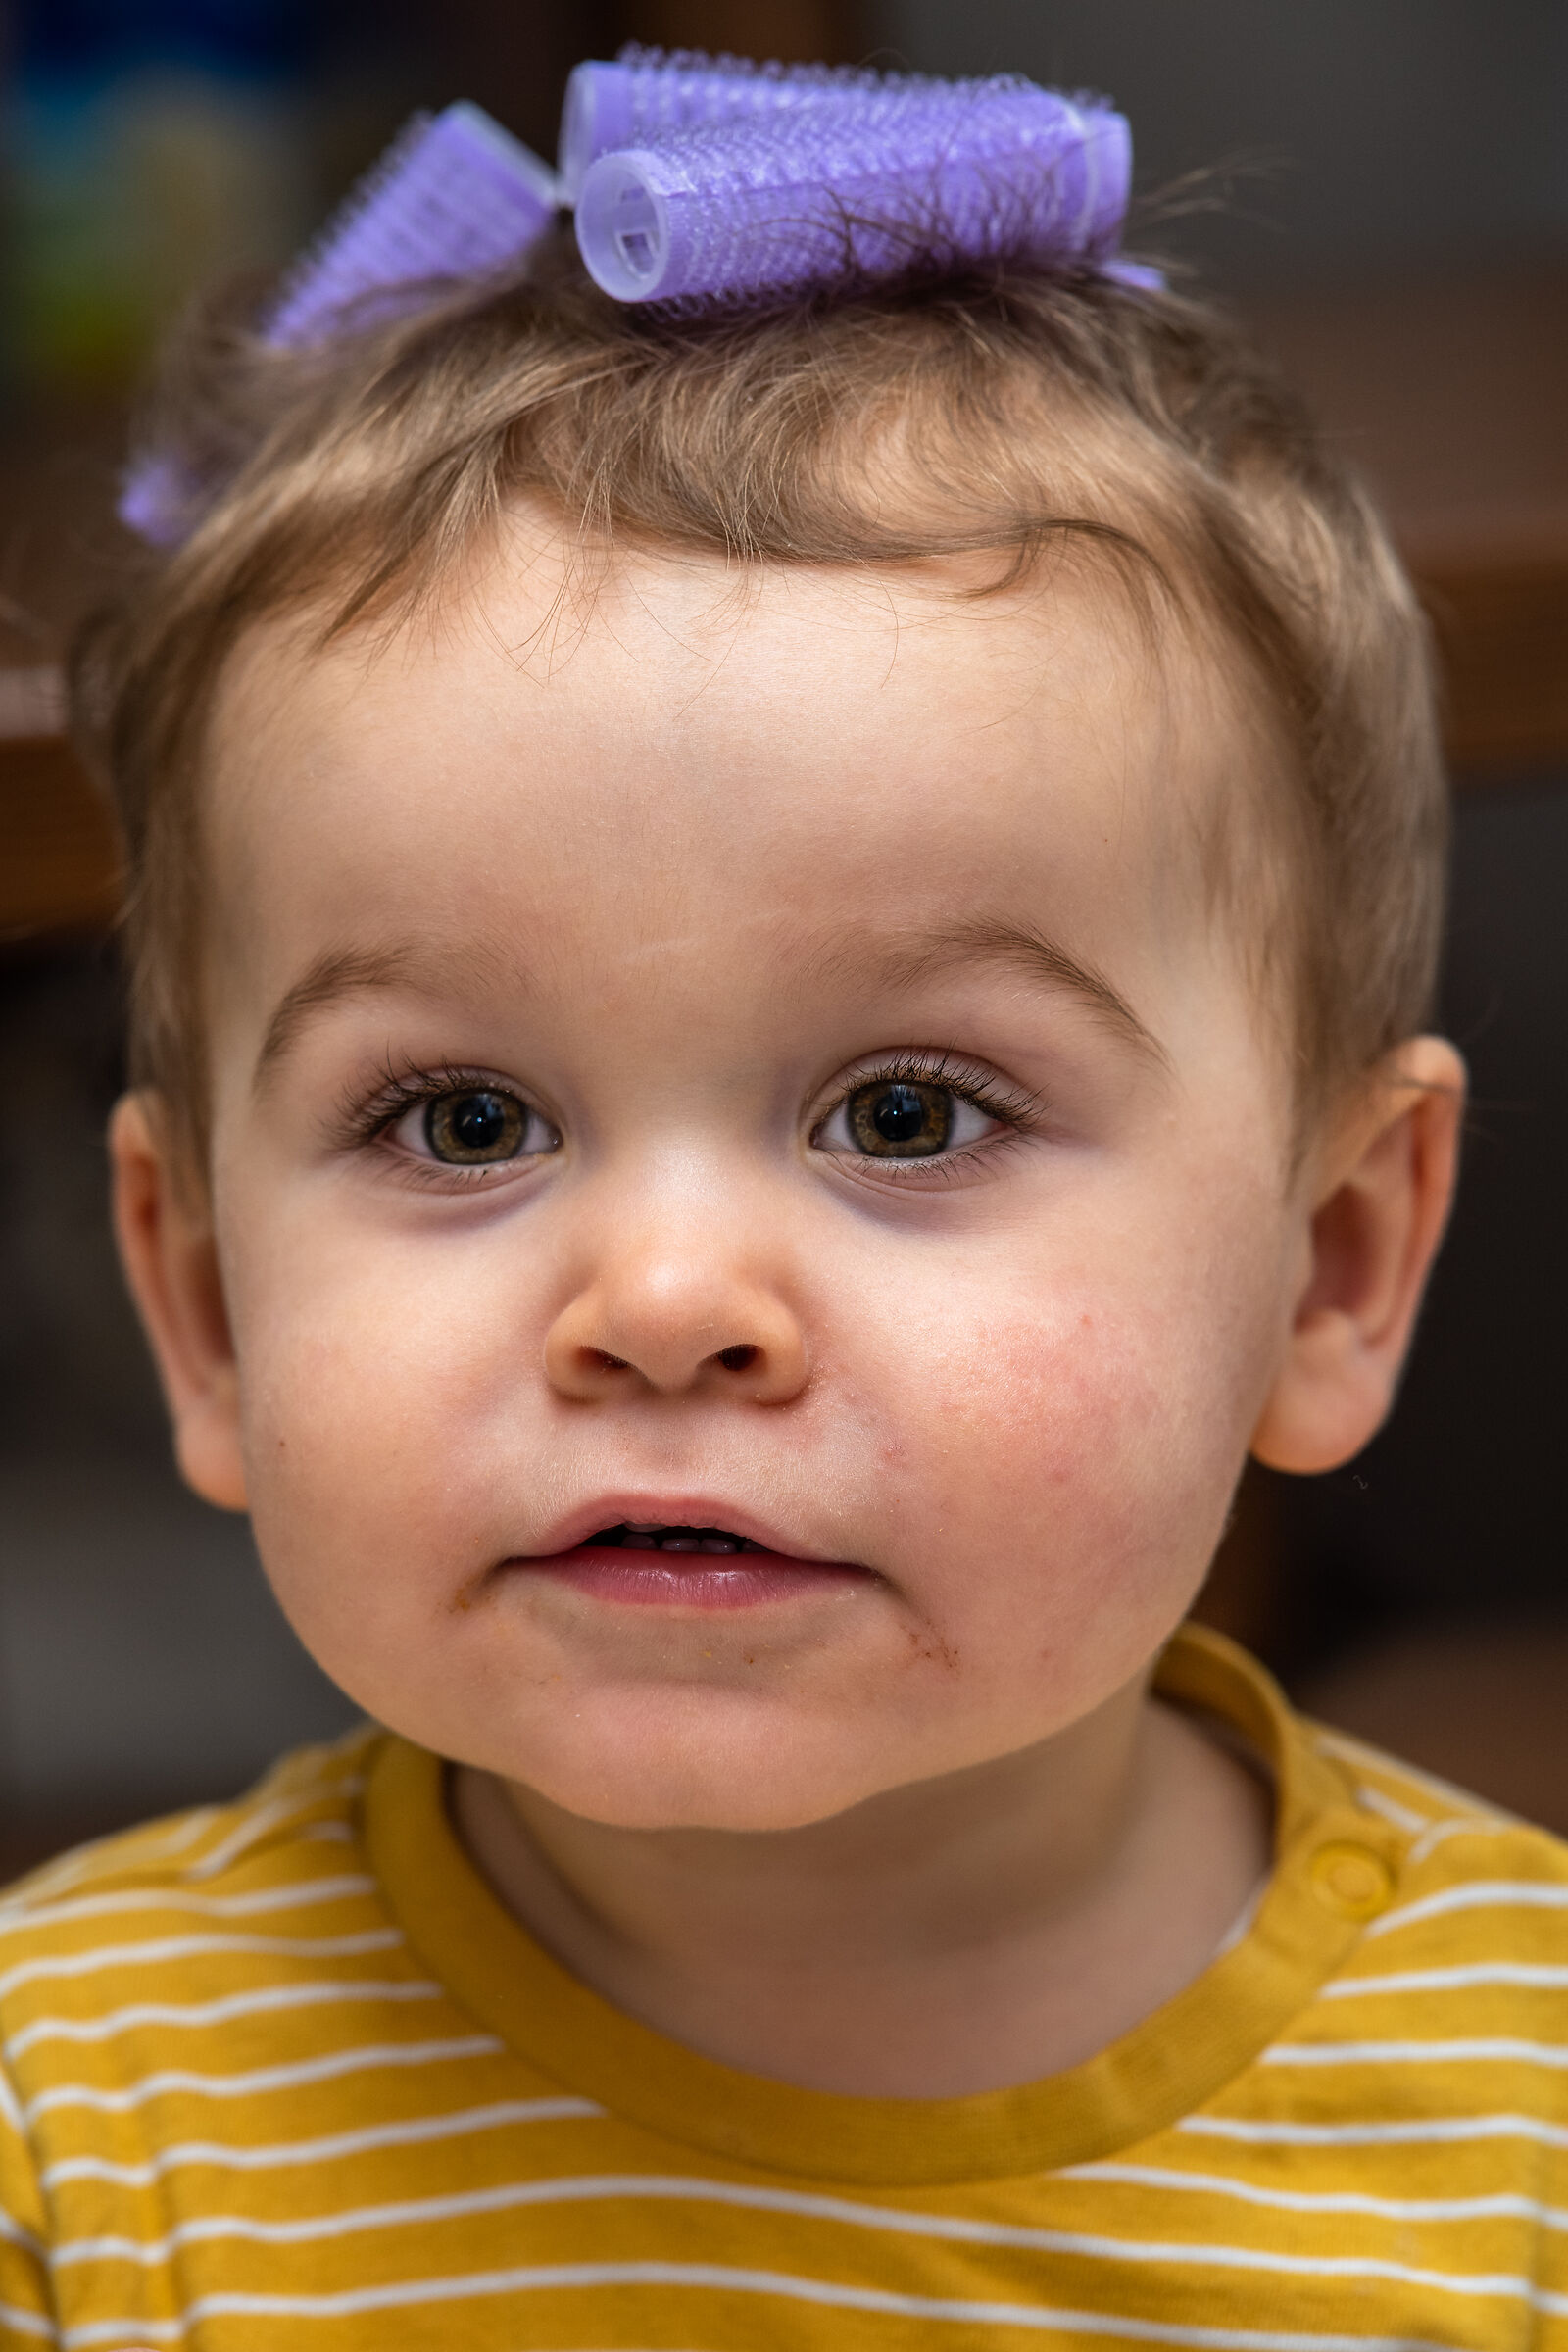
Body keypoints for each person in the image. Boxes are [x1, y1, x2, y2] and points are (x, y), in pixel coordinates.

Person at [3, 52, 1563, 2352]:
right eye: (457, 1122)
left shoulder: (1519, 2125)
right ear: (208, 1309)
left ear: (1328, 1268)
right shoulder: (74, 2129)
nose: (658, 1302)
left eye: (910, 1115)